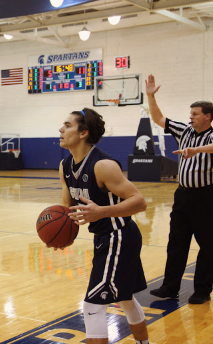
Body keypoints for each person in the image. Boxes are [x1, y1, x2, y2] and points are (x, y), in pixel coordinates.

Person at [58, 107, 149, 344]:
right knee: (126, 297)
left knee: (92, 305)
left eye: (67, 125)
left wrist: (101, 212)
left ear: (83, 133)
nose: (61, 129)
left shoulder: (103, 165)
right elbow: (68, 209)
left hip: (120, 236)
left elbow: (140, 202)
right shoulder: (65, 166)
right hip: (105, 238)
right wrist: (61, 236)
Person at [146, 74, 213, 304]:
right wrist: (150, 96)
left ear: (208, 117)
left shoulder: (212, 135)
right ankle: (169, 287)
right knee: (176, 243)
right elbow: (159, 118)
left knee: (208, 245)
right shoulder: (184, 131)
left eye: (195, 114)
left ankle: (202, 291)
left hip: (206, 197)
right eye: (190, 113)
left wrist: (198, 150)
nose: (190, 117)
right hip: (183, 196)